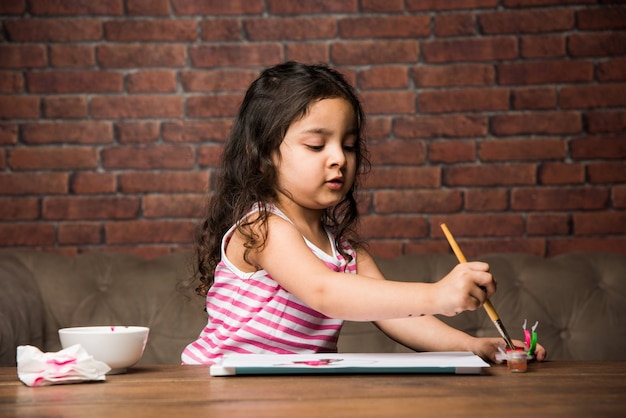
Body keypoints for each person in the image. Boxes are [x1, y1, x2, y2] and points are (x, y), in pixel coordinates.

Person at [181, 61, 546, 365]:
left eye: (350, 145)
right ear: (262, 156)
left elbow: (397, 317)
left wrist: (475, 347)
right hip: (215, 385)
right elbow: (323, 291)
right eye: (316, 145)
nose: (339, 157)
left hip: (287, 395)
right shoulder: (262, 228)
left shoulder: (348, 256)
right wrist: (439, 293)